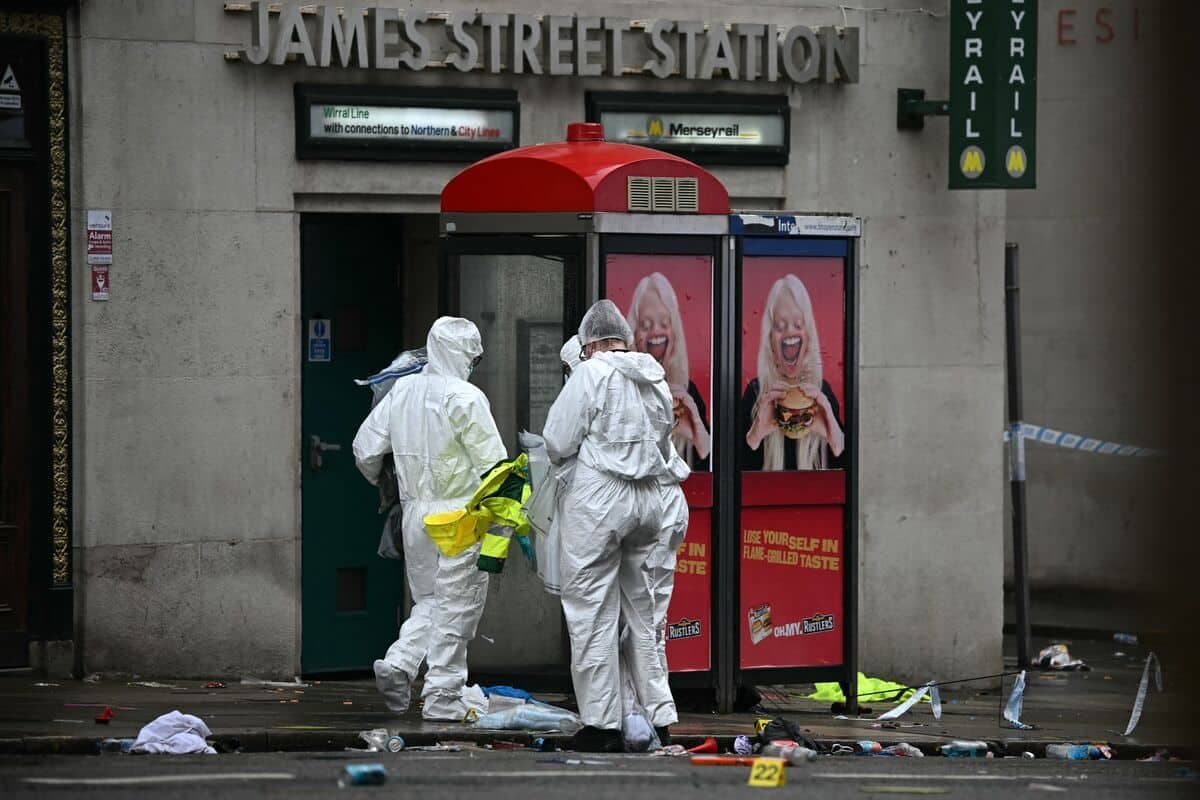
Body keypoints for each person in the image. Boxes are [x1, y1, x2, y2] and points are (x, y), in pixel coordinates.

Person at [352, 317, 507, 721]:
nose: (473, 364)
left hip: (415, 516)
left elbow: (365, 449)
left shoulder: (402, 390)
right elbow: (495, 469)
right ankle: (443, 695)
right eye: (473, 357)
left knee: (431, 601)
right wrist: (506, 523)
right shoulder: (465, 397)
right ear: (463, 354)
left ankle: (401, 662)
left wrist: (386, 483)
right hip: (460, 517)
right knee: (458, 607)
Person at [543, 300, 682, 753]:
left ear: (591, 344)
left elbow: (557, 440)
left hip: (600, 502)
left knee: (591, 612)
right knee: (643, 614)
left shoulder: (590, 373)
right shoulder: (653, 376)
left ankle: (601, 725)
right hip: (648, 501)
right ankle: (660, 717)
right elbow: (664, 443)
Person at [741, 275, 846, 471]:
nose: (790, 332)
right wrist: (754, 437)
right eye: (780, 326)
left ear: (808, 336)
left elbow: (847, 477)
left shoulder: (822, 393)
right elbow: (731, 475)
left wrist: (834, 437)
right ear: (770, 340)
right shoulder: (756, 393)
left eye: (798, 324)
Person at [625, 273, 711, 470]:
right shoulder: (621, 390)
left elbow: (712, 476)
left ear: (675, 334)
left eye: (664, 323)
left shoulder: (688, 395)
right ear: (634, 335)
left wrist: (697, 438)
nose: (656, 331)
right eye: (646, 325)